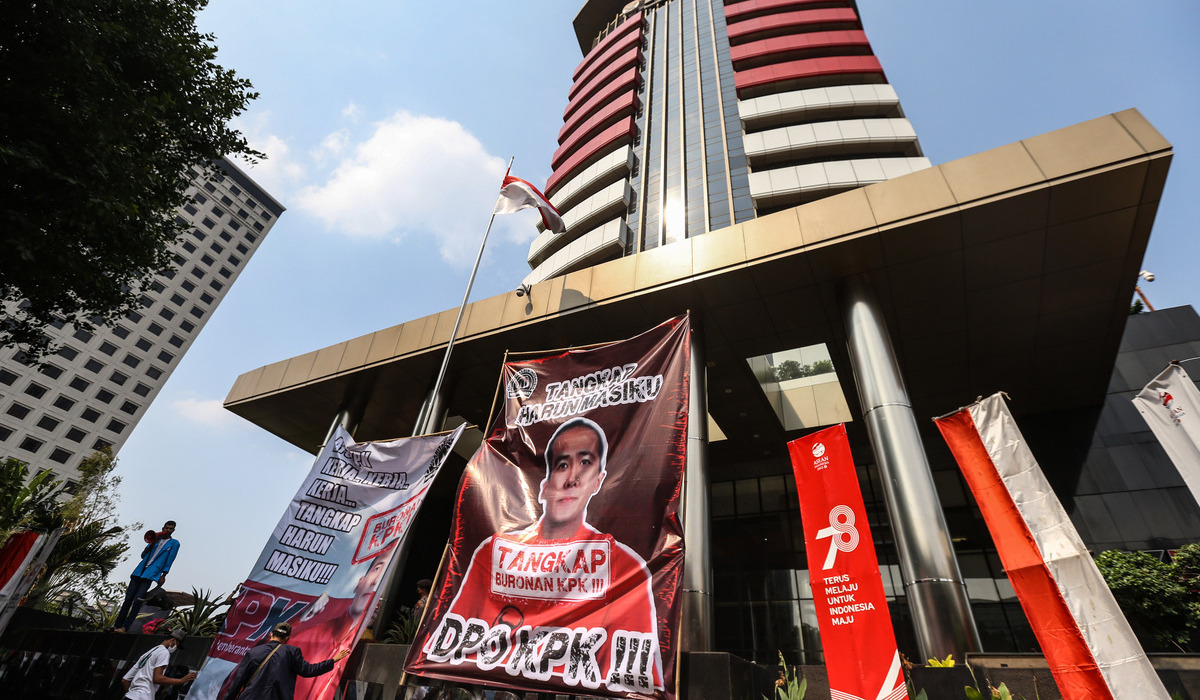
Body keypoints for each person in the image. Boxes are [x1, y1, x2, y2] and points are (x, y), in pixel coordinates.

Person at [420, 418, 663, 694]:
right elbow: (446, 650)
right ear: (545, 485)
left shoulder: (626, 567)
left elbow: (639, 681)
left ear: (598, 481)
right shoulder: (492, 553)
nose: (571, 479)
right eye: (562, 465)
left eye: (585, 463)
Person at [287, 541, 396, 700]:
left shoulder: (365, 645)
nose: (375, 582)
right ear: (360, 582)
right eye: (377, 569)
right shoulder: (308, 634)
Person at [221, 622, 350, 700]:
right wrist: (333, 660)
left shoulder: (253, 652)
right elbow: (309, 671)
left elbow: (237, 682)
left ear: (271, 634)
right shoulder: (292, 652)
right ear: (287, 638)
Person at [115, 520, 181, 633]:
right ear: (163, 528)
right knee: (128, 599)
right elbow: (143, 555)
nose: (168, 530)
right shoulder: (156, 539)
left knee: (138, 601)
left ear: (173, 530)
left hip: (150, 574)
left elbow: (170, 560)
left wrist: (164, 575)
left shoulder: (174, 543)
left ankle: (125, 627)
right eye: (166, 528)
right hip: (139, 572)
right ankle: (117, 626)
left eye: (170, 529)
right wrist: (152, 544)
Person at [121, 628, 196, 700]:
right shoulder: (164, 652)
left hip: (129, 696)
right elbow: (157, 678)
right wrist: (181, 681)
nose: (175, 648)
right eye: (176, 645)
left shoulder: (148, 653)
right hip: (143, 696)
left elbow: (125, 680)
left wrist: (132, 695)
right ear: (173, 640)